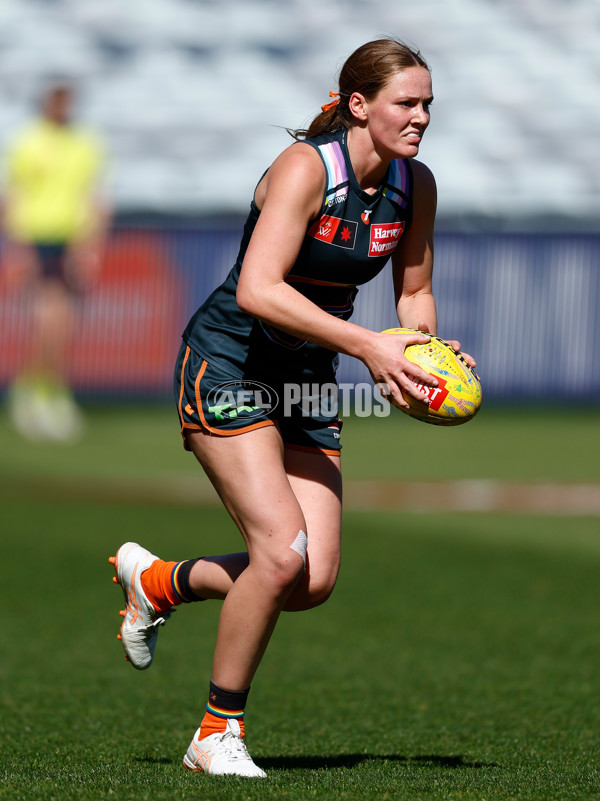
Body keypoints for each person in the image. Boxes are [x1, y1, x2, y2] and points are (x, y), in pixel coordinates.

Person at [109, 38, 476, 779]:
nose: (422, 117)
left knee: (310, 579)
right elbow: (259, 289)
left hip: (306, 374)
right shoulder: (307, 168)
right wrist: (368, 346)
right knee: (280, 551)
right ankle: (215, 732)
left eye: (429, 103)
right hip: (229, 363)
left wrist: (419, 354)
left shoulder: (416, 186)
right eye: (408, 102)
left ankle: (160, 582)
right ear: (358, 104)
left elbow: (413, 294)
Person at [1, 81, 109, 441]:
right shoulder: (28, 141)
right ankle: (44, 394)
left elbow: (94, 196)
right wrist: (18, 246)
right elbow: (13, 194)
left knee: (63, 325)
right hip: (38, 239)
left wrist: (90, 246)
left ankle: (38, 390)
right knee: (50, 320)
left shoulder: (83, 143)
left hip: (71, 241)